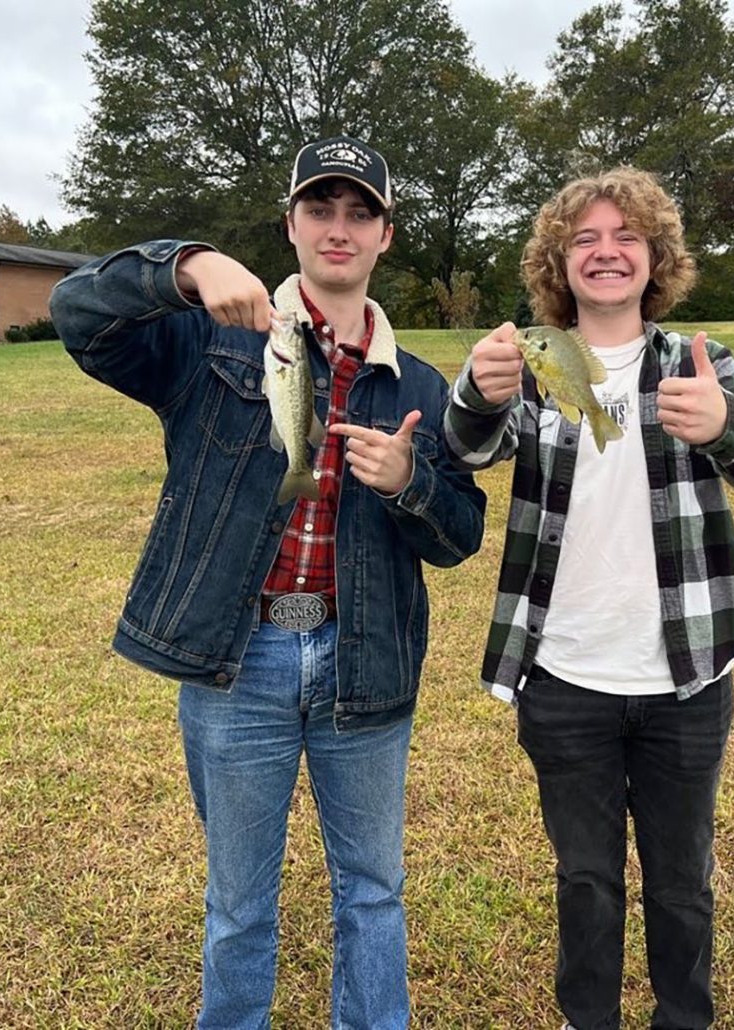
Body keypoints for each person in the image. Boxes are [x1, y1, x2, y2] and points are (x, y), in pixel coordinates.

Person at [50, 135, 486, 1029]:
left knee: (372, 892)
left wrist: (411, 483)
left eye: (359, 212)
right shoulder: (212, 340)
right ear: (290, 225)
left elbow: (462, 535)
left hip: (364, 662)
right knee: (238, 904)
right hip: (238, 662)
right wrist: (186, 265)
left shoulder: (421, 384)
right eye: (320, 209)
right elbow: (77, 314)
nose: (339, 228)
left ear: (386, 236)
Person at [443, 166, 734, 1030]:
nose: (606, 253)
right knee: (586, 879)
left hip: (687, 678)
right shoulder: (531, 358)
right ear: (558, 263)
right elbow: (470, 450)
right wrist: (474, 395)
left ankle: (685, 1018)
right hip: (563, 677)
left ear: (655, 256)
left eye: (625, 237)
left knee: (682, 881)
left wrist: (726, 424)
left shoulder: (697, 362)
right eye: (585, 240)